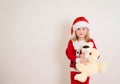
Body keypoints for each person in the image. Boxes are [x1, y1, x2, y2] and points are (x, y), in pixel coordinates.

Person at [65, 17, 98, 84]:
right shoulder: (72, 42)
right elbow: (68, 53)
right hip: (74, 69)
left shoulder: (90, 41)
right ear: (75, 30)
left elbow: (96, 54)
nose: (81, 31)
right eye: (78, 29)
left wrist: (88, 57)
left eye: (83, 29)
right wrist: (78, 59)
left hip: (86, 69)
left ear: (87, 30)